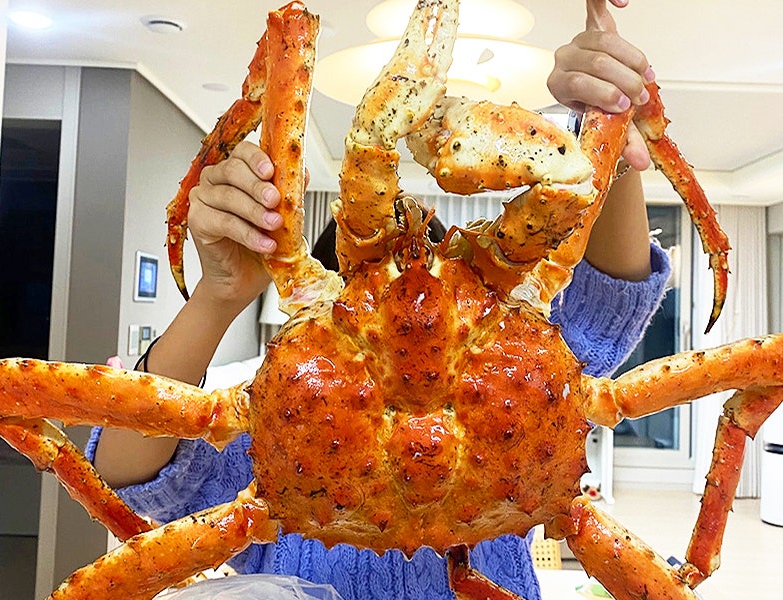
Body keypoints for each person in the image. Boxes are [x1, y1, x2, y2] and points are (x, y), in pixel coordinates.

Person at [87, 2, 671, 598]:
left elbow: (603, 305)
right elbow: (132, 474)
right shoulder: (288, 411)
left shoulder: (513, 368)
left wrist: (607, 117)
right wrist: (219, 294)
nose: (416, 305)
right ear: (322, 302)